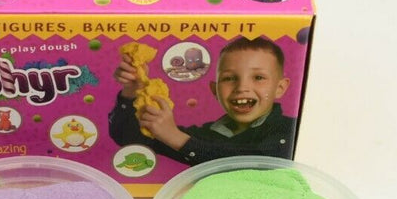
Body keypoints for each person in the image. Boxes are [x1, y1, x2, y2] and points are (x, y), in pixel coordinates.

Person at [108, 36, 296, 165]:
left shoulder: (289, 130)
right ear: (215, 90)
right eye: (229, 78)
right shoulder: (206, 135)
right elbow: (129, 138)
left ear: (279, 88)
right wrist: (132, 91)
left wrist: (177, 138)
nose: (242, 88)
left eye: (258, 78)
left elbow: (257, 161)